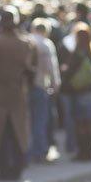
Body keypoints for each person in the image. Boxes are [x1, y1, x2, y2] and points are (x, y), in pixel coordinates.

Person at [0, 6, 36, 181]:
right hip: (17, 93)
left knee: (1, 133)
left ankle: (4, 170)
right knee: (17, 131)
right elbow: (31, 70)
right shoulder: (26, 44)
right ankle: (18, 168)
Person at [60, 22, 91, 162]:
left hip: (79, 91)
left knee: (81, 123)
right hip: (90, 91)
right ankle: (89, 152)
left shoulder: (77, 53)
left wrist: (65, 70)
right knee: (88, 122)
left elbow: (70, 71)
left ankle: (83, 152)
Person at [27, 18, 61, 163]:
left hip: (26, 86)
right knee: (40, 120)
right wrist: (56, 84)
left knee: (28, 121)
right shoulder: (46, 44)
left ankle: (27, 151)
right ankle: (39, 151)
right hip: (41, 84)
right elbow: (51, 67)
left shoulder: (27, 41)